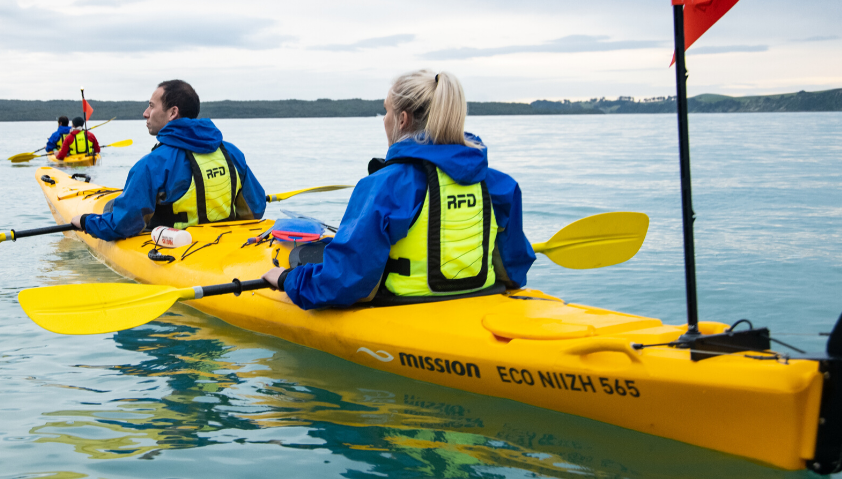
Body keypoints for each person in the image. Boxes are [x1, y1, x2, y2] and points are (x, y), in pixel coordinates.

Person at [261, 70, 535, 310]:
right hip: (479, 302)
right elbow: (514, 271)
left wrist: (287, 279)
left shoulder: (386, 185)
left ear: (402, 119)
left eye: (387, 111)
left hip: (406, 307)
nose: (384, 119)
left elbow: (343, 284)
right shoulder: (499, 184)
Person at [71, 80, 267, 240]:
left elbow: (123, 226)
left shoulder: (152, 164)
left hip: (177, 250)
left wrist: (85, 222)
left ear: (173, 112)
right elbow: (255, 209)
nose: (145, 113)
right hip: (225, 243)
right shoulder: (231, 153)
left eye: (151, 106)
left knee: (111, 208)